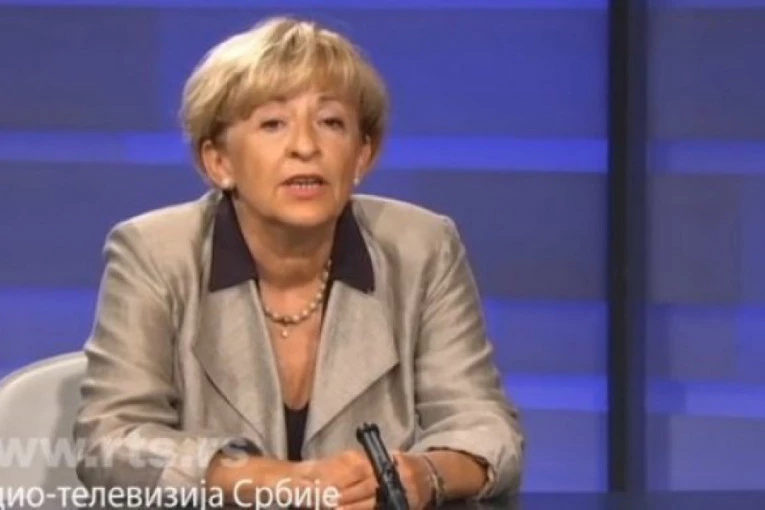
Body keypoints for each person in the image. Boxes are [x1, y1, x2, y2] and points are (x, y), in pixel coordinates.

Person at [73, 15, 524, 509]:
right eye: (273, 124)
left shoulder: (423, 247)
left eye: (331, 122)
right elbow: (110, 442)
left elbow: (485, 427)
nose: (306, 147)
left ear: (361, 156)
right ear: (219, 162)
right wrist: (278, 480)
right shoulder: (154, 253)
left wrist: (425, 475)